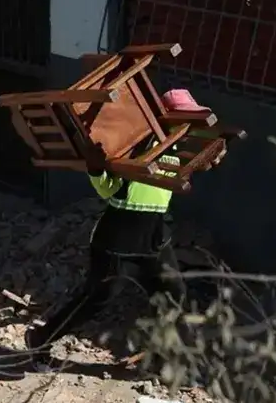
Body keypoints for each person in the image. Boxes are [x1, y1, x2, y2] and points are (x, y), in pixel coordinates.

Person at [24, 88, 225, 369]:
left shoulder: (179, 145)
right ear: (165, 116)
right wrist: (95, 169)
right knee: (97, 298)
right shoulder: (136, 144)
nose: (187, 124)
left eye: (190, 118)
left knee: (172, 294)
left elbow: (207, 142)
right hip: (118, 236)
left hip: (155, 236)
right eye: (184, 117)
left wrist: (214, 151)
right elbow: (108, 190)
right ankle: (41, 337)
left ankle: (157, 357)